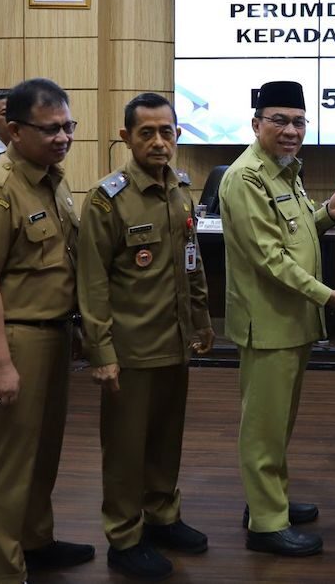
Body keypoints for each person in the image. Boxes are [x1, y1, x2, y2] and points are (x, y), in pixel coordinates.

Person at [221, 80, 335, 557]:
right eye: (280, 121)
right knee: (263, 427)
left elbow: (298, 230)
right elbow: (270, 259)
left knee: (278, 422)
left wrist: (328, 212)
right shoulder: (246, 177)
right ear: (256, 124)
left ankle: (269, 500)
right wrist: (330, 298)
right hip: (267, 323)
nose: (291, 131)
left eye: (299, 122)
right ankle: (266, 525)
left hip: (290, 322)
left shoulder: (285, 171)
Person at [77, 92, 215, 580]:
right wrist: (101, 353)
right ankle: (123, 536)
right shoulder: (106, 200)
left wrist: (201, 321)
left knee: (165, 439)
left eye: (167, 132)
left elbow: (191, 260)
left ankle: (162, 516)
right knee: (125, 448)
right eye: (147, 133)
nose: (159, 142)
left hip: (174, 341)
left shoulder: (180, 188)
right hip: (130, 349)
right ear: (126, 137)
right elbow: (91, 282)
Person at [0, 77, 94, 582]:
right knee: (3, 468)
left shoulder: (50, 179)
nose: (63, 137)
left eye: (68, 126)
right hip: (13, 340)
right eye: (50, 129)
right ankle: (1, 572)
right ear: (14, 130)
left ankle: (36, 542)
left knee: (41, 454)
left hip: (53, 336)